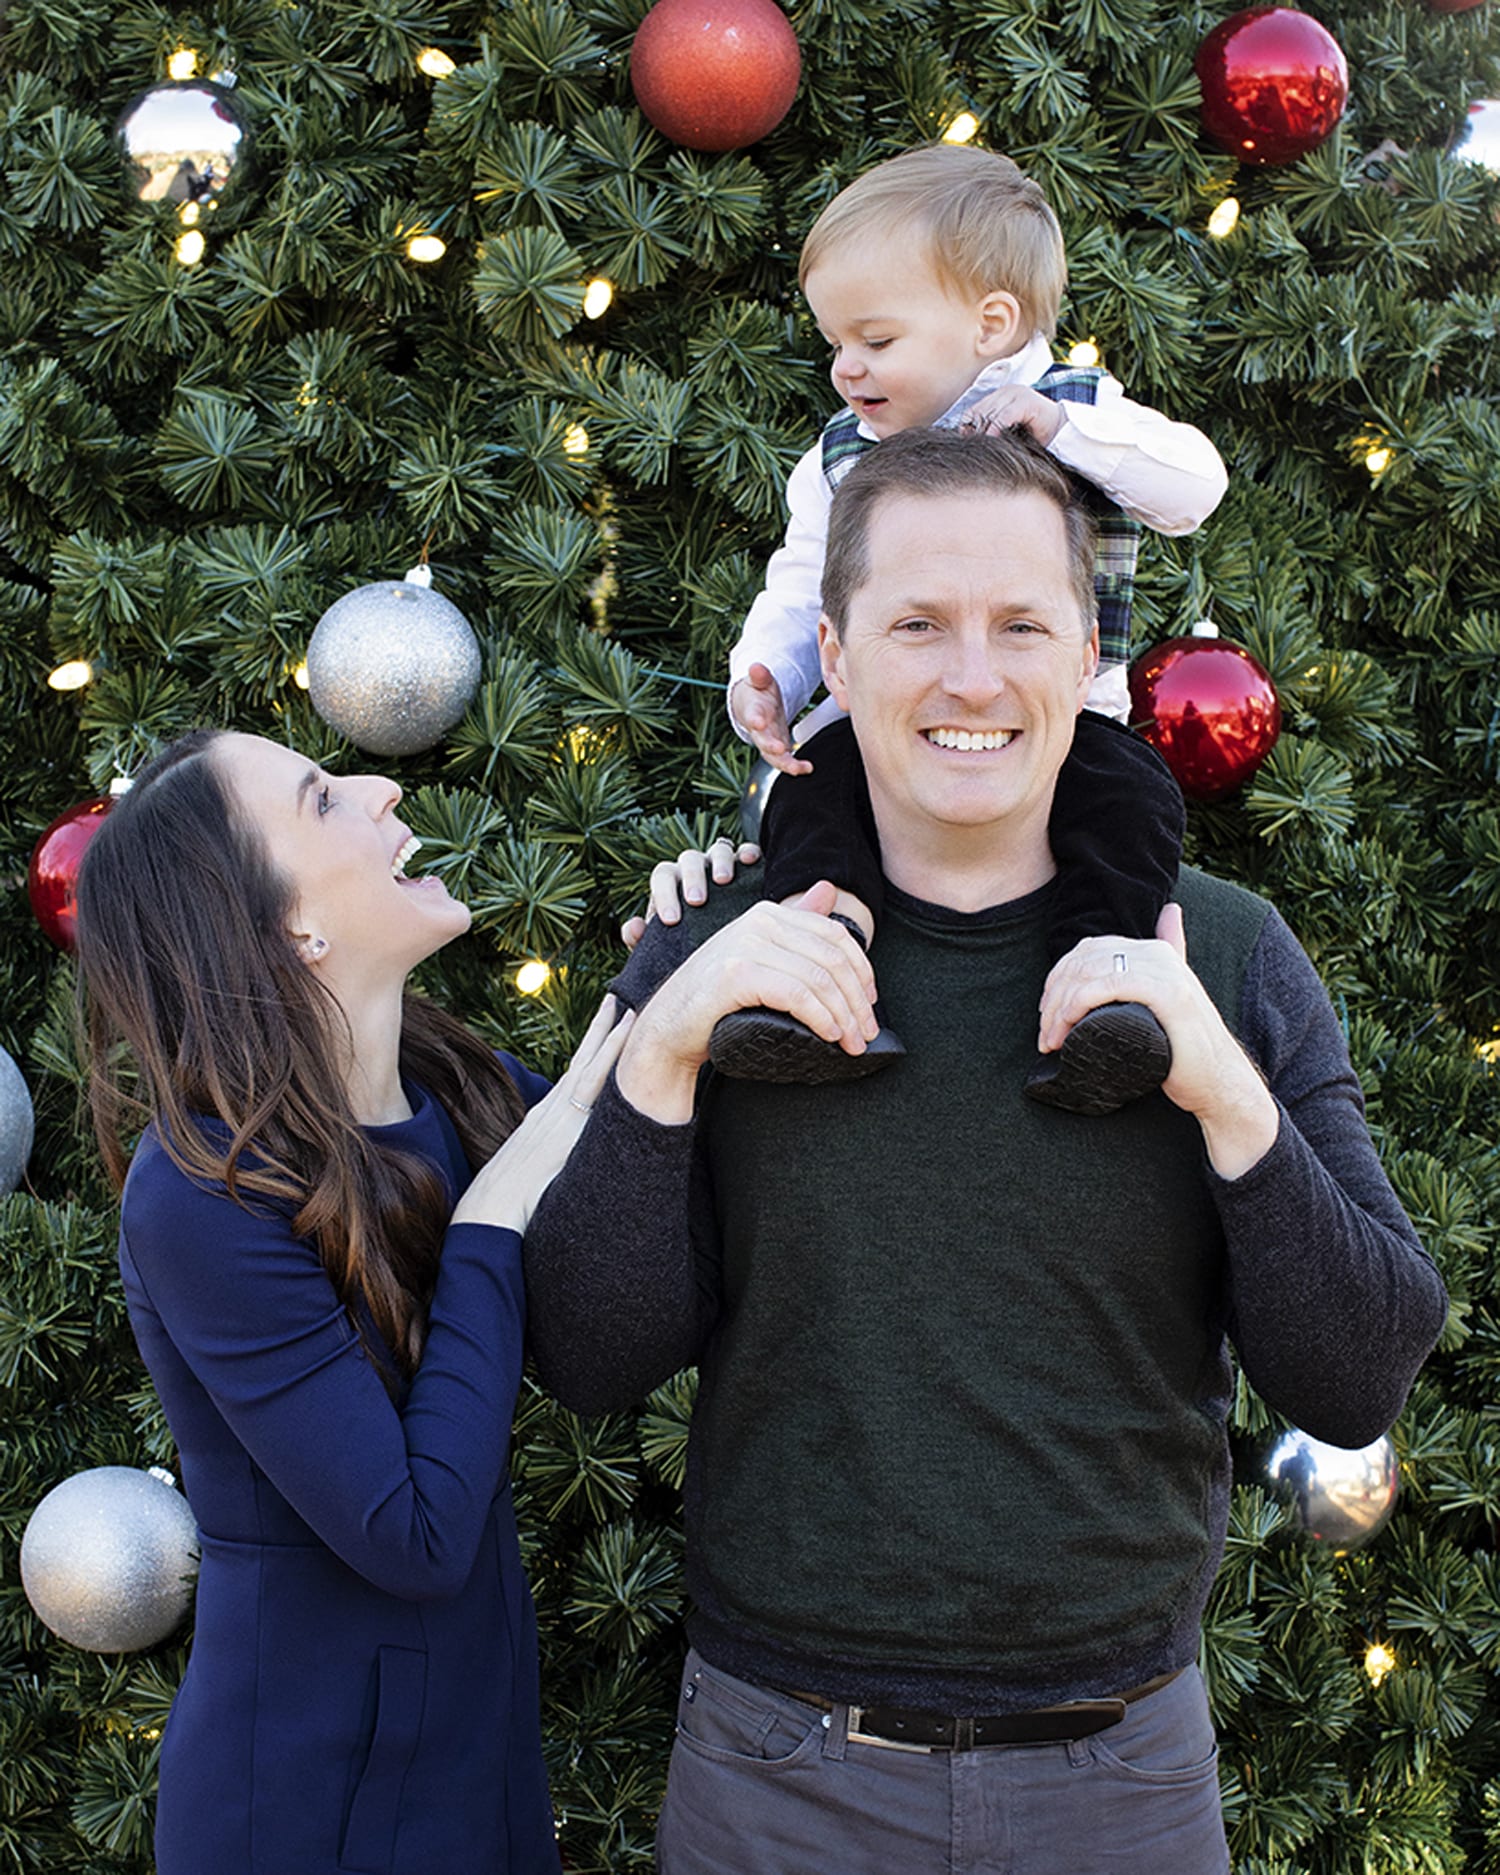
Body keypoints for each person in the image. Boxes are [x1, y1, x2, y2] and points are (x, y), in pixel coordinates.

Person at [523, 427, 1448, 1875]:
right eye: (916, 624)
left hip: (1123, 1777)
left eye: (1021, 623)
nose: (971, 676)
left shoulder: (1232, 951)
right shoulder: (728, 951)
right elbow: (586, 1353)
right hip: (780, 1770)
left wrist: (1223, 1091)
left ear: (1085, 646)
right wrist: (661, 1047)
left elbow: (1357, 1368)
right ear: (835, 647)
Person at [74, 728, 634, 1875]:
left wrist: (676, 970)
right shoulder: (197, 1198)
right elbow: (415, 1533)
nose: (385, 790)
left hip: (479, 1771)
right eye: (325, 802)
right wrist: (490, 1219)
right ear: (291, 926)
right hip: (304, 1810)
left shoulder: (452, 1087)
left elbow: (619, 1190)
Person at [715, 143, 1228, 1112]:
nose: (845, 367)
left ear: (991, 324)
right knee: (807, 800)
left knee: (1128, 808)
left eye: (874, 339)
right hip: (889, 723)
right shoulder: (838, 458)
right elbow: (798, 584)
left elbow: (1195, 488)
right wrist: (770, 675)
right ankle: (819, 969)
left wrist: (1063, 431)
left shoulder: (1073, 408)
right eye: (834, 342)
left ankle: (1102, 991)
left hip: (1071, 718)